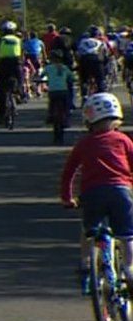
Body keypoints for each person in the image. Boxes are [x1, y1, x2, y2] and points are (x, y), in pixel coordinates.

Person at [61, 92, 133, 295]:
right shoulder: (123, 140)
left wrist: (67, 198)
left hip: (92, 194)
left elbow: (69, 173)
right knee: (127, 236)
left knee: (88, 231)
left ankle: (86, 267)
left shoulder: (83, 144)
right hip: (122, 192)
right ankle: (129, 270)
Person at [0, 20, 24, 122]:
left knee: (1, 89)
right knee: (20, 79)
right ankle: (21, 93)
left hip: (3, 64)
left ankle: (1, 114)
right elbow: (22, 53)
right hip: (16, 63)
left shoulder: (1, 40)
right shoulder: (18, 39)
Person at [45, 50, 76, 143]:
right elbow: (72, 78)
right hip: (63, 91)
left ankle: (50, 116)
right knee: (66, 106)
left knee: (52, 103)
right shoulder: (65, 68)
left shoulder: (48, 68)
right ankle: (66, 119)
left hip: (53, 91)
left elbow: (41, 76)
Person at [76, 26, 109, 97]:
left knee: (84, 79)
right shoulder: (100, 42)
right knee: (100, 80)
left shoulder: (82, 41)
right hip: (96, 61)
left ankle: (84, 95)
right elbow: (106, 54)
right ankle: (101, 94)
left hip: (85, 60)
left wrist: (79, 64)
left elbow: (78, 53)